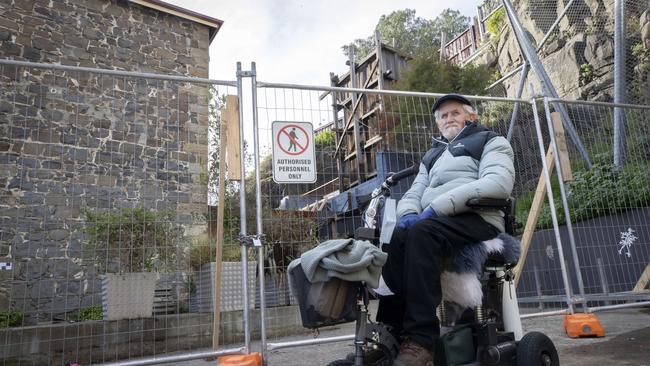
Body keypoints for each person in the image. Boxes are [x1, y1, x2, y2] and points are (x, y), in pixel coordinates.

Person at [377, 94, 515, 366]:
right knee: (395, 238)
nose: (449, 119)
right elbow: (415, 192)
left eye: (455, 113)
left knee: (422, 233)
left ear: (470, 117)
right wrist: (407, 215)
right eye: (443, 116)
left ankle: (421, 341)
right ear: (438, 124)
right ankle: (391, 334)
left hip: (477, 217)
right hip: (437, 222)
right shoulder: (433, 155)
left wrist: (436, 208)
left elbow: (497, 184)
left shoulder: (491, 141)